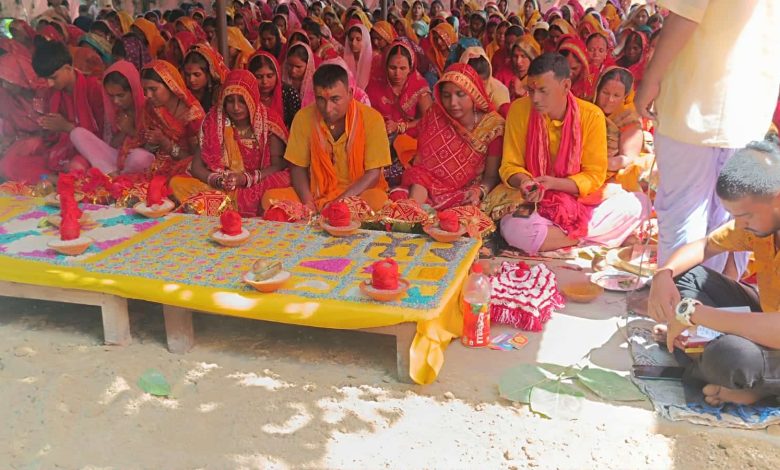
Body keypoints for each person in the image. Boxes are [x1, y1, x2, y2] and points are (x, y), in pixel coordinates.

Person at [634, 0, 780, 273]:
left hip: (694, 102)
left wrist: (651, 78)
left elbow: (687, 14)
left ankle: (682, 304)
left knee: (684, 213)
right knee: (735, 215)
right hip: (750, 105)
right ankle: (712, 305)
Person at [646, 138, 780, 406]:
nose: (740, 225)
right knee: (687, 275)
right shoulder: (761, 224)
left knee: (731, 357)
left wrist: (695, 315)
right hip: (766, 317)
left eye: (747, 216)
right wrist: (663, 274)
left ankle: (757, 387)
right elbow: (705, 246)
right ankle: (702, 354)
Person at [497, 53, 647, 254]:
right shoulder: (519, 109)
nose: (535, 99)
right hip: (534, 199)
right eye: (531, 90)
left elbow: (594, 175)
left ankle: (568, 236)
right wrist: (525, 181)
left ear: (566, 86)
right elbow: (510, 165)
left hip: (578, 199)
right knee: (513, 229)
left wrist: (554, 183)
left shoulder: (591, 115)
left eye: (543, 91)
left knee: (638, 204)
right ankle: (587, 236)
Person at [263, 63, 391, 212]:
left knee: (378, 201)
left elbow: (373, 174)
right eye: (321, 99)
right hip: (316, 192)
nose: (327, 108)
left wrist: (338, 203)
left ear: (350, 94)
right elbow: (298, 167)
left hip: (357, 195)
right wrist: (308, 203)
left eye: (335, 99)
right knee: (270, 199)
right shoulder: (303, 117)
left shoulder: (372, 119)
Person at [170, 70, 290, 216]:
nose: (236, 107)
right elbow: (197, 167)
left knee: (277, 189)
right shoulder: (213, 121)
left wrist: (245, 179)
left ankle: (212, 205)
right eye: (230, 101)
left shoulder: (269, 122)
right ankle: (218, 203)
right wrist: (218, 180)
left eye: (242, 101)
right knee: (177, 184)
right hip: (221, 185)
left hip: (256, 183)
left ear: (252, 99)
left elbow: (279, 165)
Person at [400, 63, 504, 209]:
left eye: (460, 94)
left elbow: (491, 177)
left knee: (466, 218)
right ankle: (413, 211)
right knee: (400, 199)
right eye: (446, 96)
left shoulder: (493, 126)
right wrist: (414, 205)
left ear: (473, 93)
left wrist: (479, 192)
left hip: (466, 193)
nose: (453, 103)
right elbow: (422, 171)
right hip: (425, 188)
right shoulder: (437, 115)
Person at [4, 38, 106, 179]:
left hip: (89, 151)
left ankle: (56, 180)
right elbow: (51, 137)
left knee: (75, 168)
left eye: (53, 77)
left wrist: (69, 128)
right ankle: (54, 179)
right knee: (9, 163)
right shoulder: (51, 93)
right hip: (60, 149)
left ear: (68, 68)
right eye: (45, 79)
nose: (50, 84)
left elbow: (104, 136)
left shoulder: (94, 88)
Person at [366, 40, 433, 185]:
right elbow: (366, 115)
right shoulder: (375, 84)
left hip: (408, 139)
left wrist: (400, 126)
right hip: (378, 137)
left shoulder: (419, 86)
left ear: (411, 67)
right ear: (385, 66)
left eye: (403, 68)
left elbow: (429, 120)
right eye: (392, 68)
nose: (397, 73)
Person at [140, 60, 205, 178]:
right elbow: (145, 144)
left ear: (170, 86)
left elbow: (197, 160)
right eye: (145, 90)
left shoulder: (192, 115)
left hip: (184, 166)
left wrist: (165, 143)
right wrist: (152, 142)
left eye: (153, 89)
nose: (148, 95)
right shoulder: (151, 108)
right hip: (156, 161)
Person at [593, 67, 648, 192]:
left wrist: (595, 165)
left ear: (625, 97)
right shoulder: (586, 111)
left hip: (610, 175)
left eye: (616, 95)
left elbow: (628, 159)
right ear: (597, 90)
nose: (610, 100)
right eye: (605, 93)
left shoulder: (629, 119)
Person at [247, 50, 301, 128]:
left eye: (269, 76)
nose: (265, 82)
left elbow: (297, 125)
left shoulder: (288, 93)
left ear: (277, 75)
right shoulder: (245, 95)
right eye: (259, 77)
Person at [458, 47, 509, 113]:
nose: (480, 90)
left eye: (483, 85)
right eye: (475, 85)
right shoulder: (455, 89)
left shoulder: (499, 92)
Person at [182, 43, 229, 114]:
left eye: (197, 74)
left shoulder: (219, 94)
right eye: (188, 75)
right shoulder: (183, 94)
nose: (191, 79)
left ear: (208, 74)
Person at [494, 34, 541, 101]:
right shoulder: (501, 75)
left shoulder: (540, 76)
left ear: (531, 58)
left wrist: (525, 94)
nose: (518, 62)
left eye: (523, 56)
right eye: (515, 56)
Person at [557, 34, 593, 100]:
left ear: (583, 67)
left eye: (574, 68)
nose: (569, 73)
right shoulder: (551, 83)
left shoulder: (590, 88)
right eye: (565, 67)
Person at [283, 41, 316, 108]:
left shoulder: (315, 85)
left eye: (298, 67)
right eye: (290, 65)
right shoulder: (281, 79)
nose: (293, 70)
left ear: (308, 66)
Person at [342, 22, 372, 89]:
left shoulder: (373, 62)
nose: (353, 43)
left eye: (358, 39)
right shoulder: (342, 60)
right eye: (351, 39)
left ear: (365, 40)